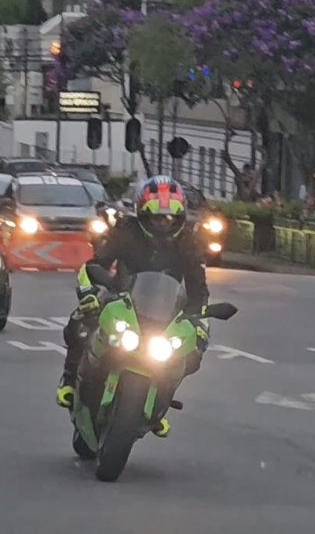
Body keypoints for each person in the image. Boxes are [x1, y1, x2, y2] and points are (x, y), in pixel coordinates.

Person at [56, 176, 210, 437]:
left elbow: (198, 287)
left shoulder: (187, 241)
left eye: (171, 218)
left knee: (192, 353)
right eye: (157, 218)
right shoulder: (126, 230)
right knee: (80, 323)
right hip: (122, 297)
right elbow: (95, 264)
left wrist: (200, 320)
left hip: (165, 309)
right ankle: (70, 381)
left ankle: (159, 404)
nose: (164, 224)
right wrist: (90, 292)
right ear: (142, 215)